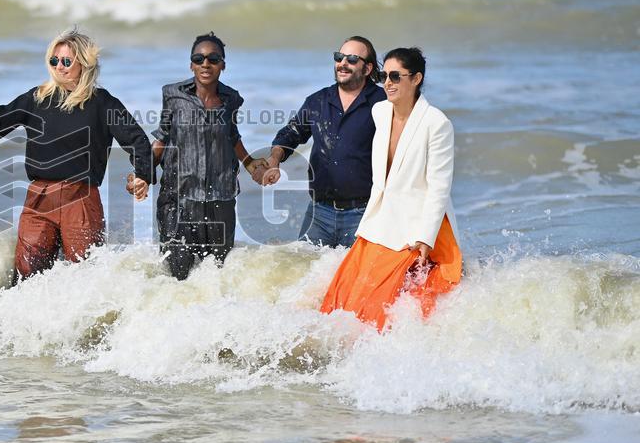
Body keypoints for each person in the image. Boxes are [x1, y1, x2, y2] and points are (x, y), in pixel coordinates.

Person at [0, 28, 153, 281]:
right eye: (54, 60)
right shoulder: (37, 98)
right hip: (39, 199)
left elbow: (135, 138)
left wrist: (143, 174)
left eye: (67, 61)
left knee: (83, 276)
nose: (60, 67)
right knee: (27, 273)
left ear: (84, 63)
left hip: (80, 200)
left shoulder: (102, 102)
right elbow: (0, 118)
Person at [320, 47, 462, 330]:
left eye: (396, 76)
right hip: (380, 219)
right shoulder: (380, 111)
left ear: (417, 78)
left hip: (416, 226)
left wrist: (425, 237)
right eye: (385, 75)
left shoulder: (437, 123)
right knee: (343, 299)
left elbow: (439, 188)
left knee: (388, 307)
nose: (388, 82)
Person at [129, 32, 266, 280]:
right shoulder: (173, 94)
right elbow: (162, 137)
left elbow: (231, 136)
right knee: (177, 274)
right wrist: (143, 175)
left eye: (213, 59)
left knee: (215, 276)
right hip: (178, 199)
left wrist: (250, 164)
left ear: (223, 65)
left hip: (220, 200)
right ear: (191, 64)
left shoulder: (231, 99)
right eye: (199, 58)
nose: (206, 64)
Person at [259, 36, 386, 247]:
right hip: (319, 213)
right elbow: (291, 133)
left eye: (352, 59)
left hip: (363, 214)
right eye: (339, 57)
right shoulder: (317, 101)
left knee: (355, 279)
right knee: (307, 273)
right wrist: (275, 159)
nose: (343, 63)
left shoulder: (382, 103)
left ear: (367, 68)